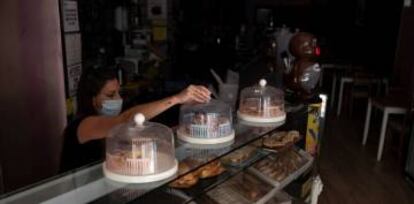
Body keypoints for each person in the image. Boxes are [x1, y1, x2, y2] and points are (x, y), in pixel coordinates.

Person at [60, 67, 211, 172]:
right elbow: (125, 119)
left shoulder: (111, 124)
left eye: (119, 93)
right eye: (111, 95)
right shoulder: (84, 125)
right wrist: (177, 98)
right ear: (91, 100)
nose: (118, 99)